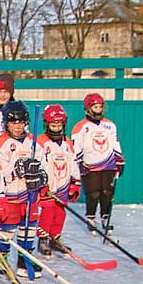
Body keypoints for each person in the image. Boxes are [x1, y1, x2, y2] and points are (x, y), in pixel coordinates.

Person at [0, 100, 35, 278]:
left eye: (21, 122)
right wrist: (17, 169)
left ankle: (24, 261)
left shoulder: (31, 140)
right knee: (7, 230)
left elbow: (41, 161)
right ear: (6, 123)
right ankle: (3, 257)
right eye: (13, 122)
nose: (18, 126)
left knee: (28, 228)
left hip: (29, 193)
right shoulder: (1, 144)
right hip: (9, 194)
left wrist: (40, 174)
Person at [71, 92, 125, 235]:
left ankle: (105, 218)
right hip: (90, 165)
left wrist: (119, 159)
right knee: (93, 193)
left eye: (101, 107)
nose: (99, 110)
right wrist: (79, 162)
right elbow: (76, 146)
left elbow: (115, 143)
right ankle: (91, 218)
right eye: (95, 107)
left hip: (108, 163)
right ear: (88, 109)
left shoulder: (110, 125)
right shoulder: (80, 127)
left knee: (107, 192)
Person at [34, 104, 81, 258]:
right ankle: (43, 239)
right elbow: (37, 163)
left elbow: (73, 163)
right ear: (46, 124)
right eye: (53, 125)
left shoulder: (67, 143)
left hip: (63, 185)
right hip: (48, 187)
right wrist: (40, 183)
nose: (56, 129)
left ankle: (55, 238)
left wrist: (75, 182)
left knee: (60, 213)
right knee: (47, 213)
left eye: (59, 125)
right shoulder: (41, 142)